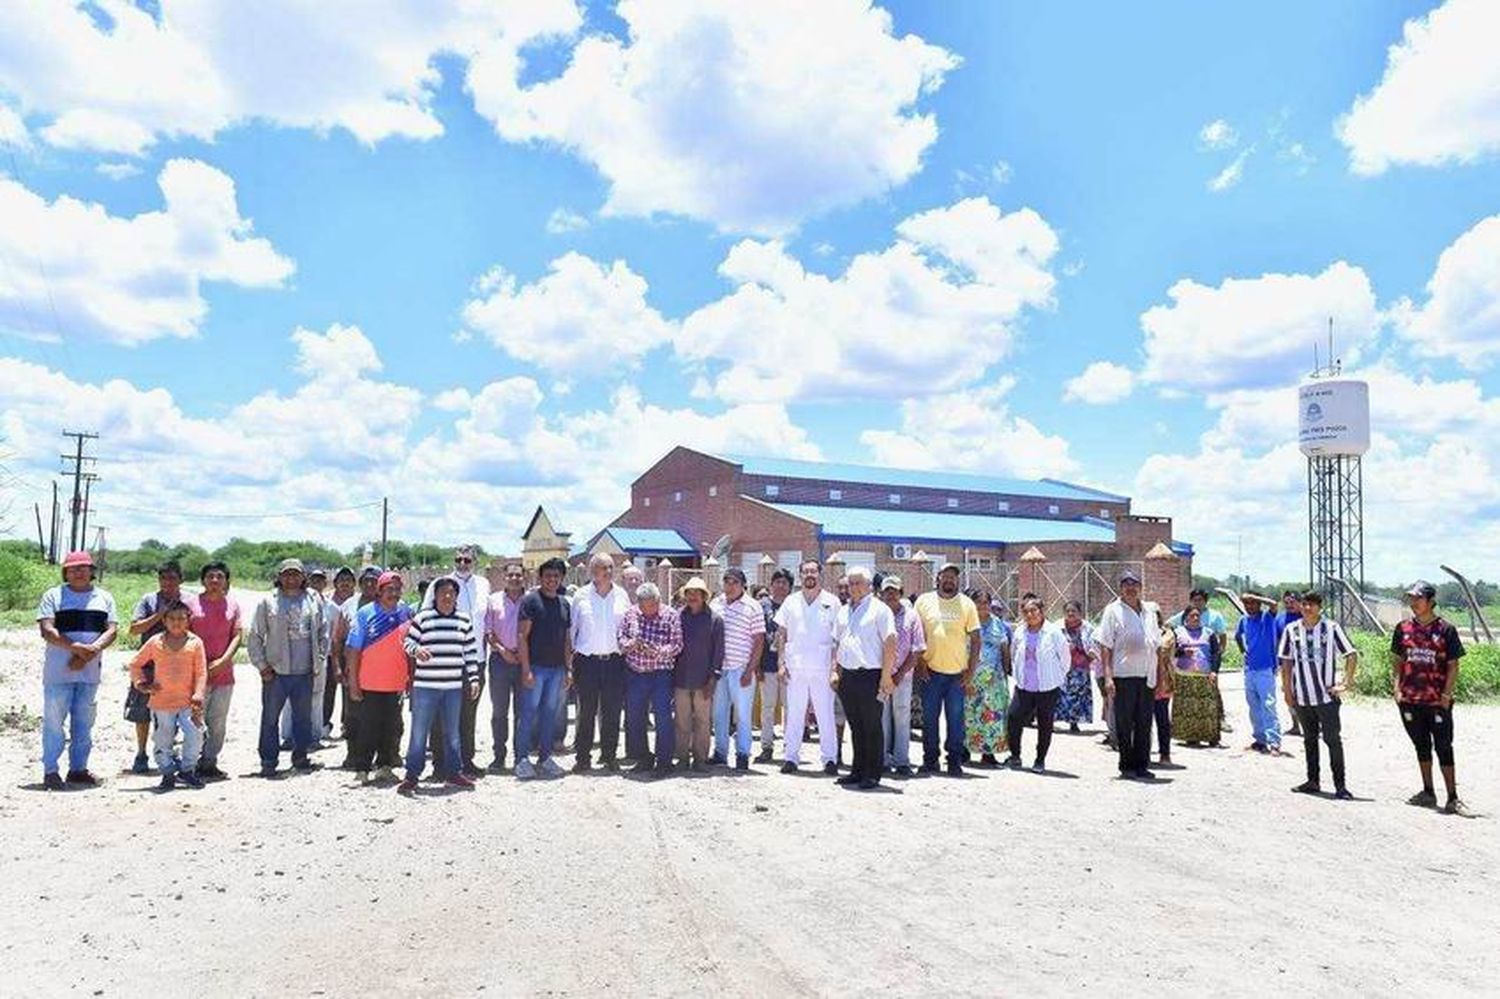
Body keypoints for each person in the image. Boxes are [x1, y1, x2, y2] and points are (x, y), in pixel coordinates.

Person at [36, 551, 118, 789]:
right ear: (65, 572)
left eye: (83, 568)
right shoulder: (53, 595)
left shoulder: (104, 597)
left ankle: (78, 769)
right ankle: (51, 771)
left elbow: (111, 630)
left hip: (90, 673)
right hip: (57, 673)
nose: (79, 572)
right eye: (73, 568)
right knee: (54, 723)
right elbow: (47, 630)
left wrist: (89, 653)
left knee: (84, 723)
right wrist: (77, 649)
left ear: (91, 571)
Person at [1389, 581, 1472, 816]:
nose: (1414, 603)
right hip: (1409, 699)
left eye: (1418, 598)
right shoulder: (1403, 628)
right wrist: (1397, 688)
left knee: (1444, 747)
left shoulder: (1446, 629)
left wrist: (1446, 694)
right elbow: (1397, 659)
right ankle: (1428, 792)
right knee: (1421, 745)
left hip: (1436, 700)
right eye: (1411, 599)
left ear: (1430, 601)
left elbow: (1453, 665)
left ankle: (1452, 798)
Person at [398, 576, 481, 794]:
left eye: (451, 593)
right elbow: (407, 642)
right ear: (434, 595)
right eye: (442, 592)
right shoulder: (423, 618)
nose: (447, 596)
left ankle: (453, 773)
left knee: (452, 732)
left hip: (453, 688)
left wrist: (473, 679)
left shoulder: (464, 621)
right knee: (419, 732)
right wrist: (417, 651)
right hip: (425, 688)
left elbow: (471, 654)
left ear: (456, 597)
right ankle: (412, 776)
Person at [248, 558, 328, 777]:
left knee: (303, 718)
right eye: (286, 574)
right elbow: (255, 636)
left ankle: (301, 757)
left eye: (295, 574)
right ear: (279, 576)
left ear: (303, 577)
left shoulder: (313, 599)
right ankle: (268, 760)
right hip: (276, 672)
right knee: (270, 718)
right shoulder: (268, 601)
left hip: (304, 672)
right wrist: (262, 666)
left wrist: (319, 659)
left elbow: (323, 633)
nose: (291, 579)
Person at [1277, 591, 1356, 800]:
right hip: (1302, 696)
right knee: (1309, 740)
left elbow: (1351, 654)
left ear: (1320, 607)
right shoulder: (1291, 630)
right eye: (1304, 604)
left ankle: (1340, 785)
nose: (1307, 608)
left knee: (1332, 740)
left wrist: (1346, 682)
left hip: (1326, 697)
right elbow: (1286, 661)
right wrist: (1287, 690)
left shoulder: (1331, 628)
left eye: (1312, 604)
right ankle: (1313, 781)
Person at [421, 545, 490, 778]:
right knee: (441, 715)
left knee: (468, 714)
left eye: (467, 560)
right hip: (445, 661)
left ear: (475, 561)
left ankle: (465, 761)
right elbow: (424, 617)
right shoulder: (440, 585)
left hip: (475, 659)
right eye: (458, 559)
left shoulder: (483, 585)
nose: (462, 564)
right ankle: (440, 765)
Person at [128, 601, 207, 790]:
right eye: (172, 618)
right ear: (164, 620)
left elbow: (202, 672)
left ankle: (187, 771)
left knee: (195, 735)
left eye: (181, 618)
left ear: (188, 620)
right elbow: (135, 664)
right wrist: (141, 684)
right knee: (163, 738)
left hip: (189, 702)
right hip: (161, 702)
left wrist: (198, 695)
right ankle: (167, 772)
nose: (176, 622)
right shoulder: (156, 642)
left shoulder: (195, 642)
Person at [345, 571, 412, 784]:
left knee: (391, 727)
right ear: (379, 591)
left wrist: (410, 678)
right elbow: (353, 650)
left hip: (395, 683)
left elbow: (412, 648)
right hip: (369, 683)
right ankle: (362, 769)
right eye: (389, 589)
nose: (394, 593)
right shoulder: (365, 613)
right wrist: (353, 682)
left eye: (397, 589)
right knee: (367, 727)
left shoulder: (406, 614)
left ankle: (384, 766)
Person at [914, 563, 980, 777]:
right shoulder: (924, 602)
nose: (949, 580)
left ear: (957, 580)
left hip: (957, 676)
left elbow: (976, 640)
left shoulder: (967, 604)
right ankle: (930, 760)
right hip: (930, 672)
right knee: (929, 719)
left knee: (956, 719)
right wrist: (920, 663)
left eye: (953, 577)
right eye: (946, 576)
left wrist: (970, 672)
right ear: (938, 578)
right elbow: (917, 634)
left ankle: (954, 760)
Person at [832, 567, 896, 790]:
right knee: (855, 725)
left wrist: (886, 677)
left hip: (872, 675)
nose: (853, 587)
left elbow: (890, 642)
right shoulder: (844, 611)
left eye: (858, 583)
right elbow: (837, 643)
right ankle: (857, 770)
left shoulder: (880, 610)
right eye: (850, 583)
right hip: (848, 675)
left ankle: (872, 773)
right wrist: (835, 670)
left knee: (871, 725)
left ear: (869, 586)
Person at [775, 560, 841, 775]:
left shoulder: (832, 602)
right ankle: (791, 757)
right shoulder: (791, 602)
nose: (810, 575)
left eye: (813, 571)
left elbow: (837, 639)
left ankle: (830, 758)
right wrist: (781, 663)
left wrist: (834, 669)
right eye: (805, 572)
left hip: (822, 667)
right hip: (796, 667)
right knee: (794, 713)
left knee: (825, 715)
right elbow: (781, 634)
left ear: (819, 574)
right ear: (800, 575)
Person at [1097, 569, 1162, 781]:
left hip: (1147, 675)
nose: (1130, 588)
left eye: (1134, 584)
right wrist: (1108, 676)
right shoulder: (1112, 611)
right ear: (1120, 589)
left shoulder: (1150, 612)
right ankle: (1126, 766)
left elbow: (1157, 646)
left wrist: (1160, 675)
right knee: (1125, 723)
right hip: (1123, 676)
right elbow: (1105, 645)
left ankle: (1142, 765)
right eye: (1126, 585)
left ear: (1140, 587)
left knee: (1144, 722)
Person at [569, 553, 630, 773]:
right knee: (586, 712)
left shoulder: (622, 595)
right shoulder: (581, 596)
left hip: (615, 662)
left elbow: (629, 628)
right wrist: (569, 664)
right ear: (593, 571)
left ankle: (609, 755)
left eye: (611, 567)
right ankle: (583, 757)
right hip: (587, 663)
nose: (609, 571)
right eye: (604, 567)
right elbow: (572, 631)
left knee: (613, 711)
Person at [515, 557, 572, 780]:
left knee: (550, 715)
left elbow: (567, 639)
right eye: (548, 576)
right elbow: (521, 636)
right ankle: (521, 759)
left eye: (556, 576)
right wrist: (526, 669)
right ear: (540, 578)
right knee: (528, 714)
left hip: (557, 669)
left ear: (561, 579)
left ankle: (545, 757)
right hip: (536, 668)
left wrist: (568, 668)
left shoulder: (564, 603)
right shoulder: (530, 601)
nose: (552, 580)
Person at [618, 582, 682, 777]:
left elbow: (677, 644)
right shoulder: (630, 614)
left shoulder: (671, 615)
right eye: (644, 607)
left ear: (658, 600)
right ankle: (643, 757)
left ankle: (664, 761)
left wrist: (657, 651)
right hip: (635, 673)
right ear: (639, 604)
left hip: (661, 674)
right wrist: (632, 645)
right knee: (635, 717)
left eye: (652, 606)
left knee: (663, 717)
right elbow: (621, 639)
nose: (648, 612)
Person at [185, 561, 241, 780]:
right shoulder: (191, 604)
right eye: (210, 576)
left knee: (218, 721)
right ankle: (190, 762)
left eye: (220, 576)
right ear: (203, 580)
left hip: (224, 674)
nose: (215, 580)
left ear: (227, 581)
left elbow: (237, 636)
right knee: (194, 719)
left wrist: (223, 661)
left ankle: (209, 762)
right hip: (195, 673)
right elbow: (182, 634)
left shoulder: (233, 606)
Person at [126, 560, 184, 773]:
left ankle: (167, 752)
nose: (167, 582)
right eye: (163, 578)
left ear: (181, 580)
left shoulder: (188, 601)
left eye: (172, 578)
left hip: (178, 667)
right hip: (149, 665)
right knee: (141, 713)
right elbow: (134, 629)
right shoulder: (148, 600)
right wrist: (160, 615)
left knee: (174, 712)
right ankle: (141, 753)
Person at [1004, 593, 1070, 772]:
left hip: (1047, 686)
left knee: (1045, 724)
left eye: (1033, 610)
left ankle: (1040, 759)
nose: (1030, 615)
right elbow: (1014, 652)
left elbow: (1065, 658)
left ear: (1042, 611)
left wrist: (1058, 677)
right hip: (1024, 685)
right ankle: (1015, 756)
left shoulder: (1053, 632)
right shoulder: (1019, 631)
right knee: (1013, 718)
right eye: (1026, 611)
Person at [709, 569, 766, 770]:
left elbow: (759, 641)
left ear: (743, 585)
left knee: (742, 714)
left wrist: (750, 669)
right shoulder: (716, 604)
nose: (730, 585)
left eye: (735, 582)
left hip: (741, 668)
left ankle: (742, 754)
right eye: (727, 581)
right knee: (719, 713)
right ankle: (720, 752)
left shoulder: (753, 606)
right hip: (719, 669)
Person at [672, 577, 722, 772]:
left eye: (697, 593)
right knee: (682, 720)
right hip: (681, 679)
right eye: (689, 593)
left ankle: (700, 759)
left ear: (704, 596)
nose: (692, 597)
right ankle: (683, 758)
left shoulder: (715, 620)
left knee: (702, 721)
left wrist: (712, 679)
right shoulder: (677, 617)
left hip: (704, 680)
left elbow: (718, 652)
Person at [332, 566, 380, 766]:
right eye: (365, 580)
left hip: (381, 671)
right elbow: (338, 640)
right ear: (360, 584)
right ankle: (354, 756)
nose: (370, 584)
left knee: (381, 715)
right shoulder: (349, 606)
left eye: (374, 580)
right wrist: (337, 667)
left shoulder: (391, 604)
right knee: (353, 715)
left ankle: (383, 757)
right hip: (353, 669)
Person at [1168, 587, 1231, 736]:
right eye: (1195, 600)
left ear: (1205, 601)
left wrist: (1217, 660)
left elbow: (1221, 636)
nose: (1197, 603)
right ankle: (1187, 733)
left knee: (1211, 698)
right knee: (1187, 702)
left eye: (1200, 600)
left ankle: (1219, 721)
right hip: (1185, 670)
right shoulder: (1182, 618)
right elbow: (1168, 626)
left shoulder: (1215, 617)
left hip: (1207, 667)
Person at [880, 575, 925, 776]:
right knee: (881, 718)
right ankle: (881, 759)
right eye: (887, 591)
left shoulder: (911, 616)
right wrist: (885, 675)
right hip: (879, 676)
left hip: (903, 677)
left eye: (894, 591)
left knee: (902, 716)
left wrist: (898, 675)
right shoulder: (877, 614)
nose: (890, 594)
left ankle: (902, 760)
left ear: (901, 592)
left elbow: (917, 649)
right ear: (880, 594)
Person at [484, 563, 526, 773]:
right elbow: (488, 633)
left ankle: (520, 756)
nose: (514, 578)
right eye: (510, 575)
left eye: (518, 575)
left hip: (523, 661)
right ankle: (499, 756)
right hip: (500, 661)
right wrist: (503, 650)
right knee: (499, 712)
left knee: (522, 712)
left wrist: (522, 654)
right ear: (504, 577)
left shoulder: (530, 601)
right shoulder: (493, 600)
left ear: (524, 577)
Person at [965, 588, 1010, 765]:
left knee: (991, 715)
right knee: (969, 714)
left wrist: (1005, 674)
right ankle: (965, 751)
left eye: (986, 603)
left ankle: (988, 753)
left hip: (994, 680)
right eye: (979, 602)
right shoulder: (967, 623)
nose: (982, 606)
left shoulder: (998, 624)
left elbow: (1005, 650)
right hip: (971, 677)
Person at [1234, 593, 1284, 754]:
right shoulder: (1244, 620)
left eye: (1252, 603)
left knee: (1268, 705)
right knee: (1254, 706)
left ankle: (1274, 741)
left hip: (1265, 669)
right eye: (1246, 603)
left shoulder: (1267, 618)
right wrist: (1243, 651)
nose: (1249, 606)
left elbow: (1274, 604)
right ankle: (1260, 739)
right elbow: (1237, 636)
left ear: (1259, 604)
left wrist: (1256, 597)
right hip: (1250, 669)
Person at [1170, 606, 1222, 748]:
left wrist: (1214, 671)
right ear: (1185, 617)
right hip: (1184, 676)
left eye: (1198, 616)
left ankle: (1211, 737)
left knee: (1208, 707)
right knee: (1188, 708)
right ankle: (1191, 737)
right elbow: (1171, 651)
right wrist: (1183, 652)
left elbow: (1216, 653)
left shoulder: (1209, 633)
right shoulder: (1177, 632)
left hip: (1205, 676)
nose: (1195, 618)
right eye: (1192, 616)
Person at [756, 568, 792, 764]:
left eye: (784, 582)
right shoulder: (763, 606)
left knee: (790, 708)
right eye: (777, 581)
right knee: (767, 707)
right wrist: (757, 666)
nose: (780, 585)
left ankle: (790, 747)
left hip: (790, 667)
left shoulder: (795, 605)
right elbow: (758, 635)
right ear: (771, 584)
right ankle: (766, 746)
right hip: (767, 664)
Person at [320, 567, 356, 737]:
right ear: (335, 583)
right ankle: (324, 723)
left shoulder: (359, 602)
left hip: (350, 653)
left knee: (349, 691)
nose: (345, 584)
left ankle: (347, 724)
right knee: (328, 690)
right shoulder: (326, 601)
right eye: (342, 580)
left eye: (349, 580)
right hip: (329, 653)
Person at [1056, 600, 1095, 733]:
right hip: (1062, 667)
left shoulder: (1087, 628)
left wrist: (1089, 655)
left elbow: (1094, 646)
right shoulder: (1057, 628)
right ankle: (1056, 720)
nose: (1071, 613)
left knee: (1079, 695)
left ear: (1080, 613)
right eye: (1068, 611)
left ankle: (1074, 722)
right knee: (1061, 693)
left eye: (1074, 611)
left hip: (1081, 666)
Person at [1278, 590, 1305, 737]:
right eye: (1286, 602)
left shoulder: (1306, 617)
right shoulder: (1280, 619)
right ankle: (1295, 724)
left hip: (1305, 663)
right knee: (1288, 692)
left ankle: (1314, 723)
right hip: (1286, 663)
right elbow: (1276, 641)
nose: (1289, 605)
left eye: (1292, 602)